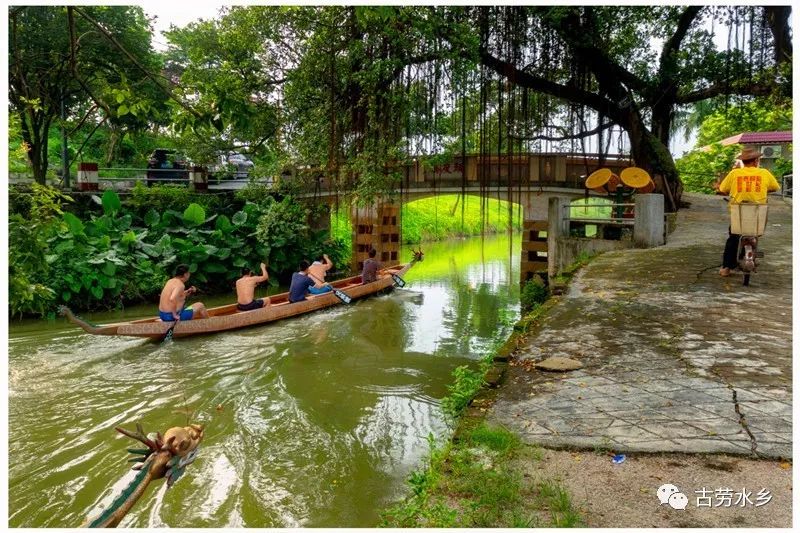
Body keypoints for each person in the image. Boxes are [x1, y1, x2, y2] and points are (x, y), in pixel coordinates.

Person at [714, 146, 780, 277]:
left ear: (743, 162)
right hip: (757, 215)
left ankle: (726, 268)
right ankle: (750, 255)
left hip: (739, 213)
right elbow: (775, 187)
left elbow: (723, 188)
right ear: (756, 161)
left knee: (733, 237)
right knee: (755, 234)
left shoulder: (734, 173)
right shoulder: (764, 173)